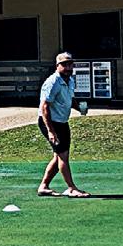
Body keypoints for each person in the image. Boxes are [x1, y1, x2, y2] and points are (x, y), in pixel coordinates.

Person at [36, 50, 89, 197]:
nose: (68, 67)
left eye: (70, 64)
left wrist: (80, 108)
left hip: (62, 122)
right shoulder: (52, 82)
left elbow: (70, 99)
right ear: (57, 66)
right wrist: (51, 131)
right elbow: (45, 106)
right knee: (62, 156)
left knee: (58, 156)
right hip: (50, 123)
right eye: (64, 64)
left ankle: (43, 186)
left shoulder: (70, 81)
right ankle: (71, 188)